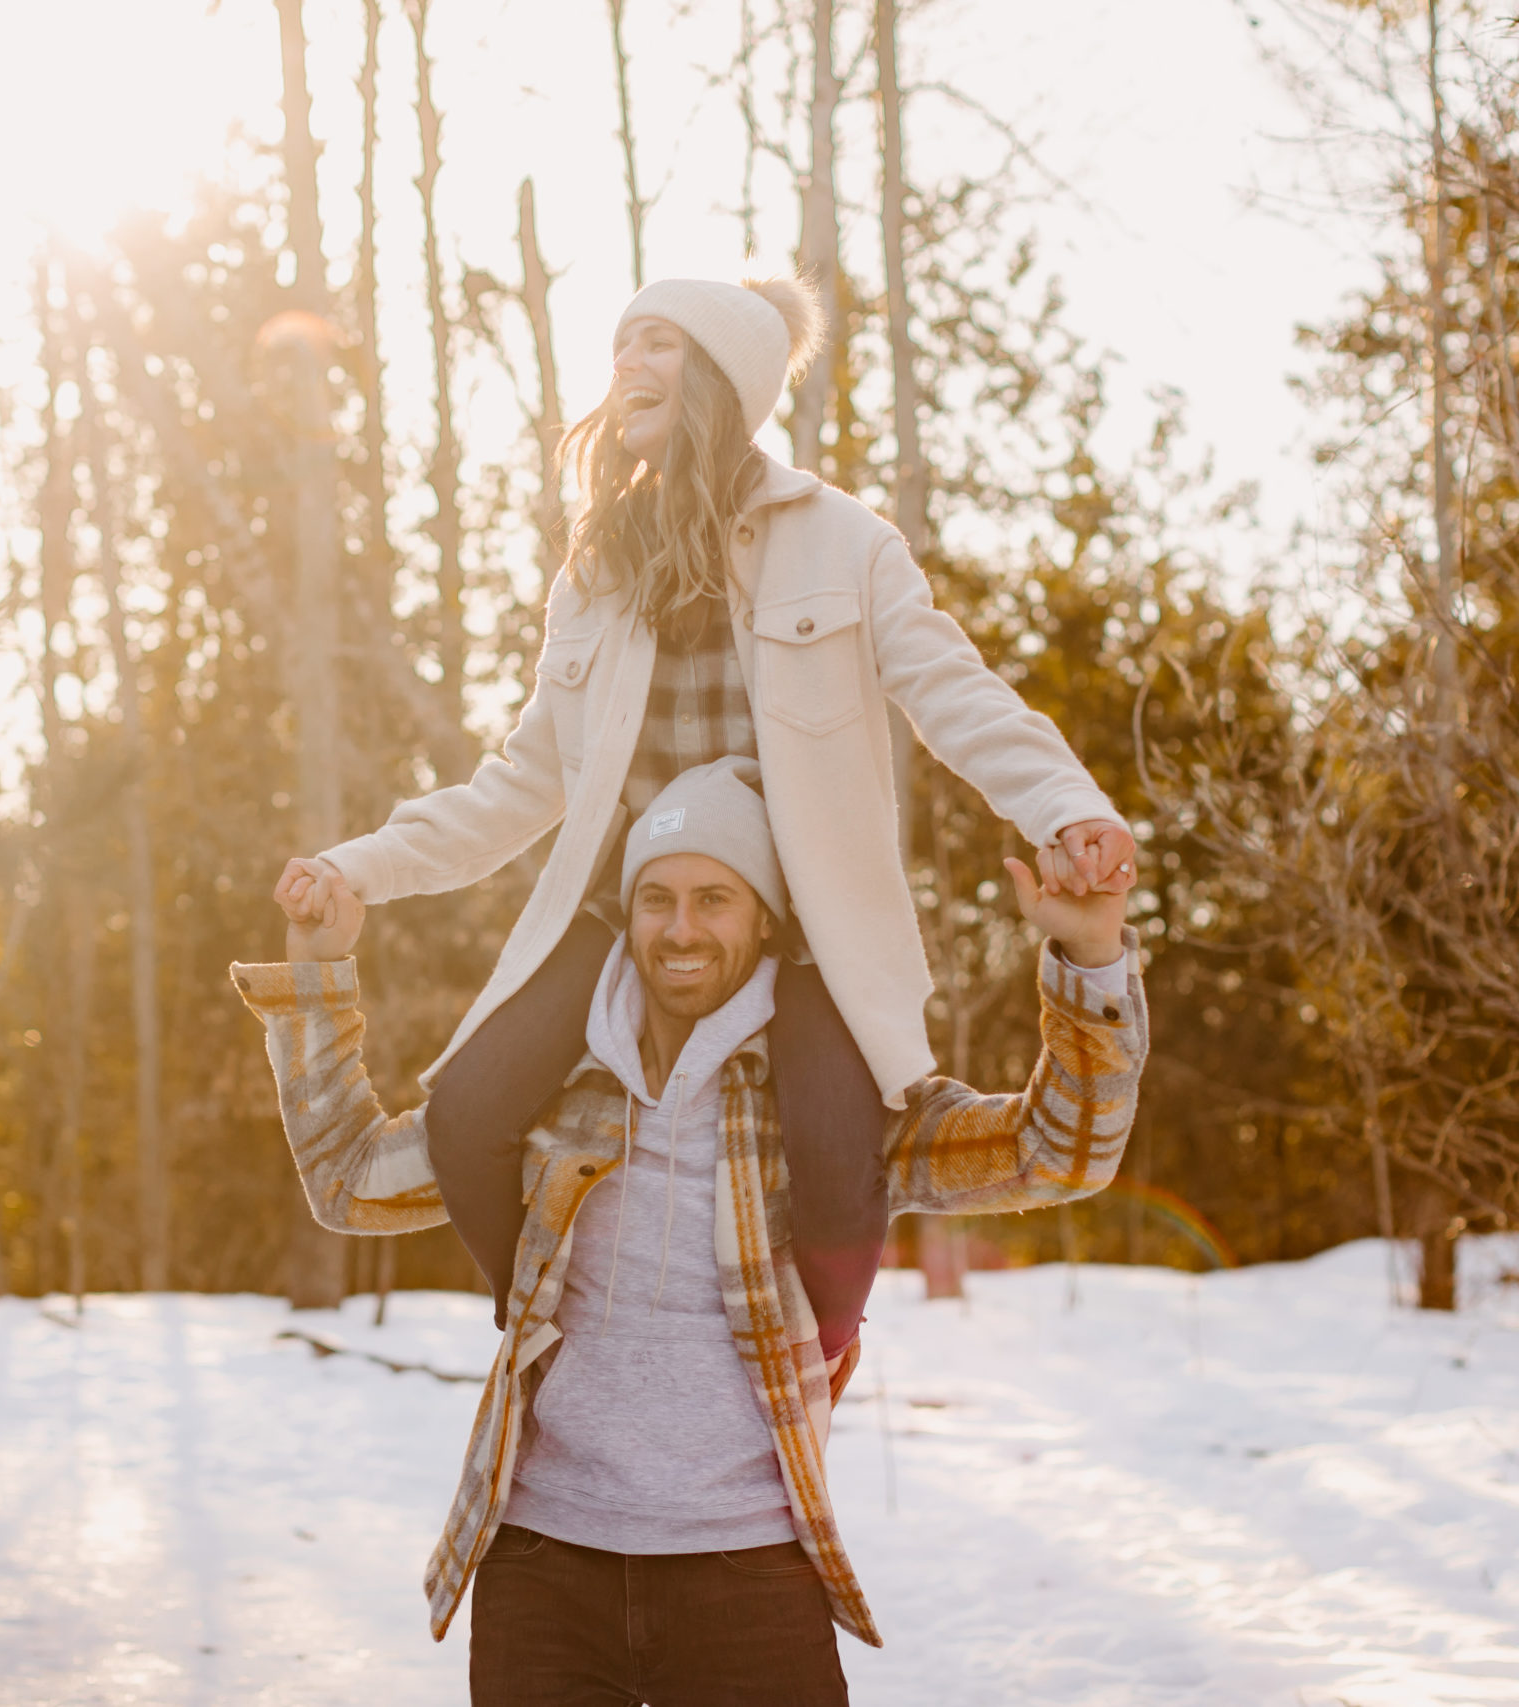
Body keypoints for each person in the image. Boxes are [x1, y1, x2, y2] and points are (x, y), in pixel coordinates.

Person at [274, 272, 1136, 1373]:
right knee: (467, 1114)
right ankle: (542, 1340)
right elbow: (522, 779)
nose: (625, 363)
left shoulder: (843, 543)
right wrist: (361, 869)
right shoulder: (596, 569)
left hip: (800, 917)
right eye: (619, 342)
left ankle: (814, 1369)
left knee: (835, 1153)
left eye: (657, 343)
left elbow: (956, 696)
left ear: (724, 373)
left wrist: (1068, 809)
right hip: (634, 904)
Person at [239, 757, 1145, 1702]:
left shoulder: (833, 1104)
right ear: (625, 917)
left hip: (748, 1573)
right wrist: (318, 973)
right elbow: (349, 1180)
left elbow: (1059, 1152)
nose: (681, 928)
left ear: (765, 919)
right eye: (657, 898)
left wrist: (1090, 959)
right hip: (545, 1566)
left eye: (715, 897)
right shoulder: (549, 1092)